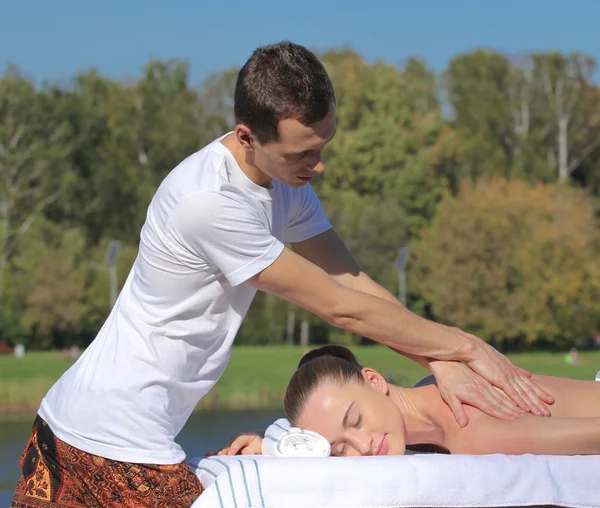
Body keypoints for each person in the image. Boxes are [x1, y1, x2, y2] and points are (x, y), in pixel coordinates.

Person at [12, 41, 553, 507]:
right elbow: (338, 307)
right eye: (303, 154)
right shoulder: (209, 202)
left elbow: (352, 281)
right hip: (104, 438)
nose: (317, 168)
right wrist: (468, 348)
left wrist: (438, 358)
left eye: (323, 148)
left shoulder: (285, 184)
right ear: (248, 137)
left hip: (101, 430)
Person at [219, 345, 600, 457]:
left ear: (374, 379)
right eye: (339, 449)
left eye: (356, 421)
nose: (363, 444)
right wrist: (273, 447)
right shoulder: (426, 396)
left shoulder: (473, 428)